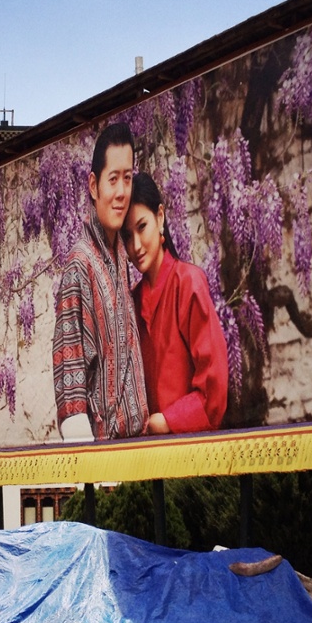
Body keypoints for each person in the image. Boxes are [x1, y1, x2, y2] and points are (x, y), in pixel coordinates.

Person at [52, 122, 149, 441]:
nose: (122, 192)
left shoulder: (120, 254)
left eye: (128, 178)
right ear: (94, 186)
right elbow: (71, 392)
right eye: (113, 180)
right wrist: (93, 479)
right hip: (107, 461)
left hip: (136, 451)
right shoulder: (78, 266)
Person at [122, 172, 229, 434]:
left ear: (160, 217)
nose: (135, 245)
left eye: (141, 226)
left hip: (191, 451)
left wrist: (168, 421)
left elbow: (214, 391)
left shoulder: (189, 283)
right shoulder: (131, 303)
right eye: (126, 236)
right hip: (146, 455)